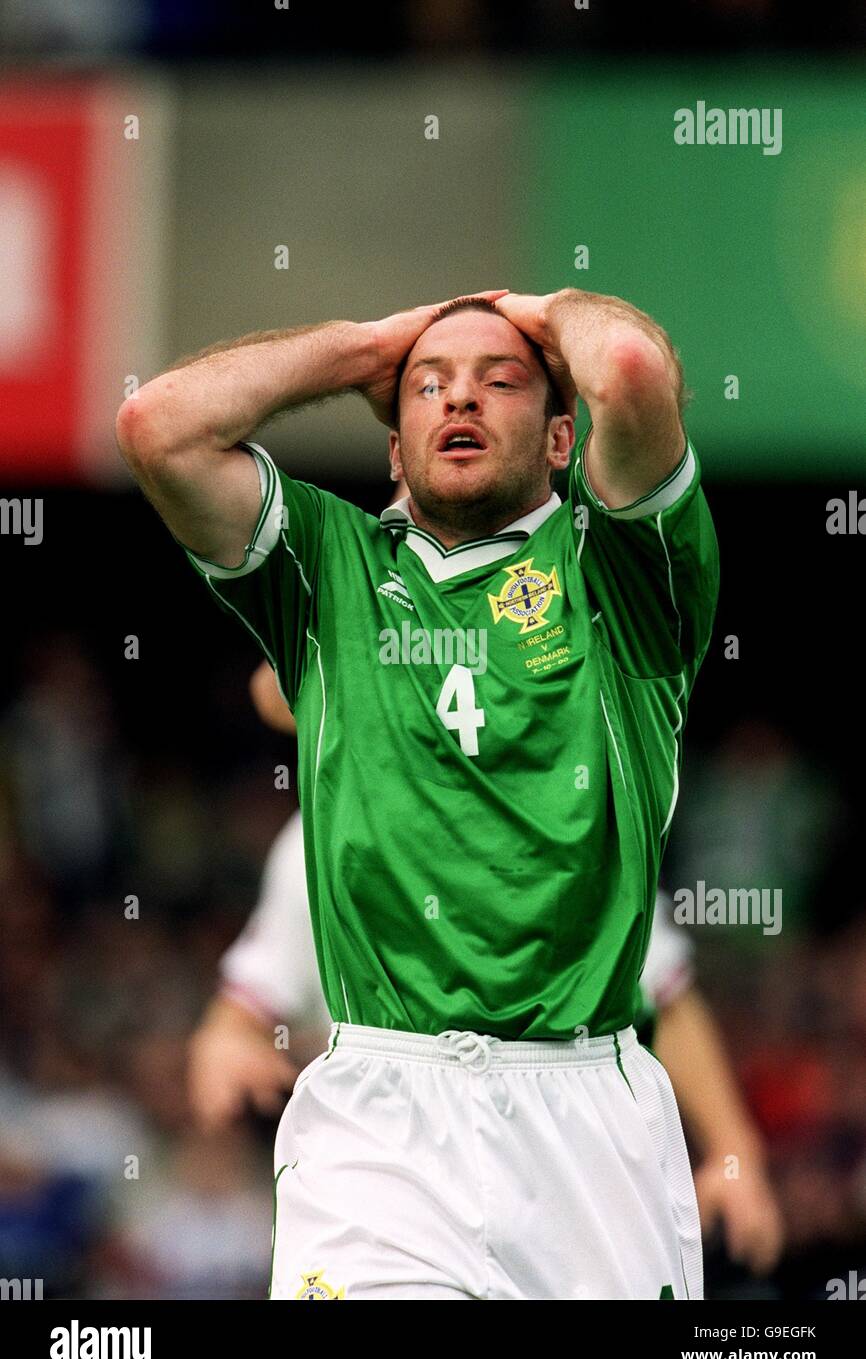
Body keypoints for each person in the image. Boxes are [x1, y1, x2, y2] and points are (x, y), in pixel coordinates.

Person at [117, 286, 720, 1299]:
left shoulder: (622, 576)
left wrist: (545, 305)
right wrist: (362, 350)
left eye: (501, 381)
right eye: (429, 388)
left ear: (561, 435)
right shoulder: (327, 570)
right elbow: (158, 426)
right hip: (380, 1122)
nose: (459, 400)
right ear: (393, 449)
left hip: (588, 1134)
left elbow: (627, 368)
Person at [188, 665, 783, 1280]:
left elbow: (664, 998)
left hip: (565, 1163)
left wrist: (736, 1149)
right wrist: (225, 1041)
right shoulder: (316, 845)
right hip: (390, 1167)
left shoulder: (566, 825)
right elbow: (239, 1015)